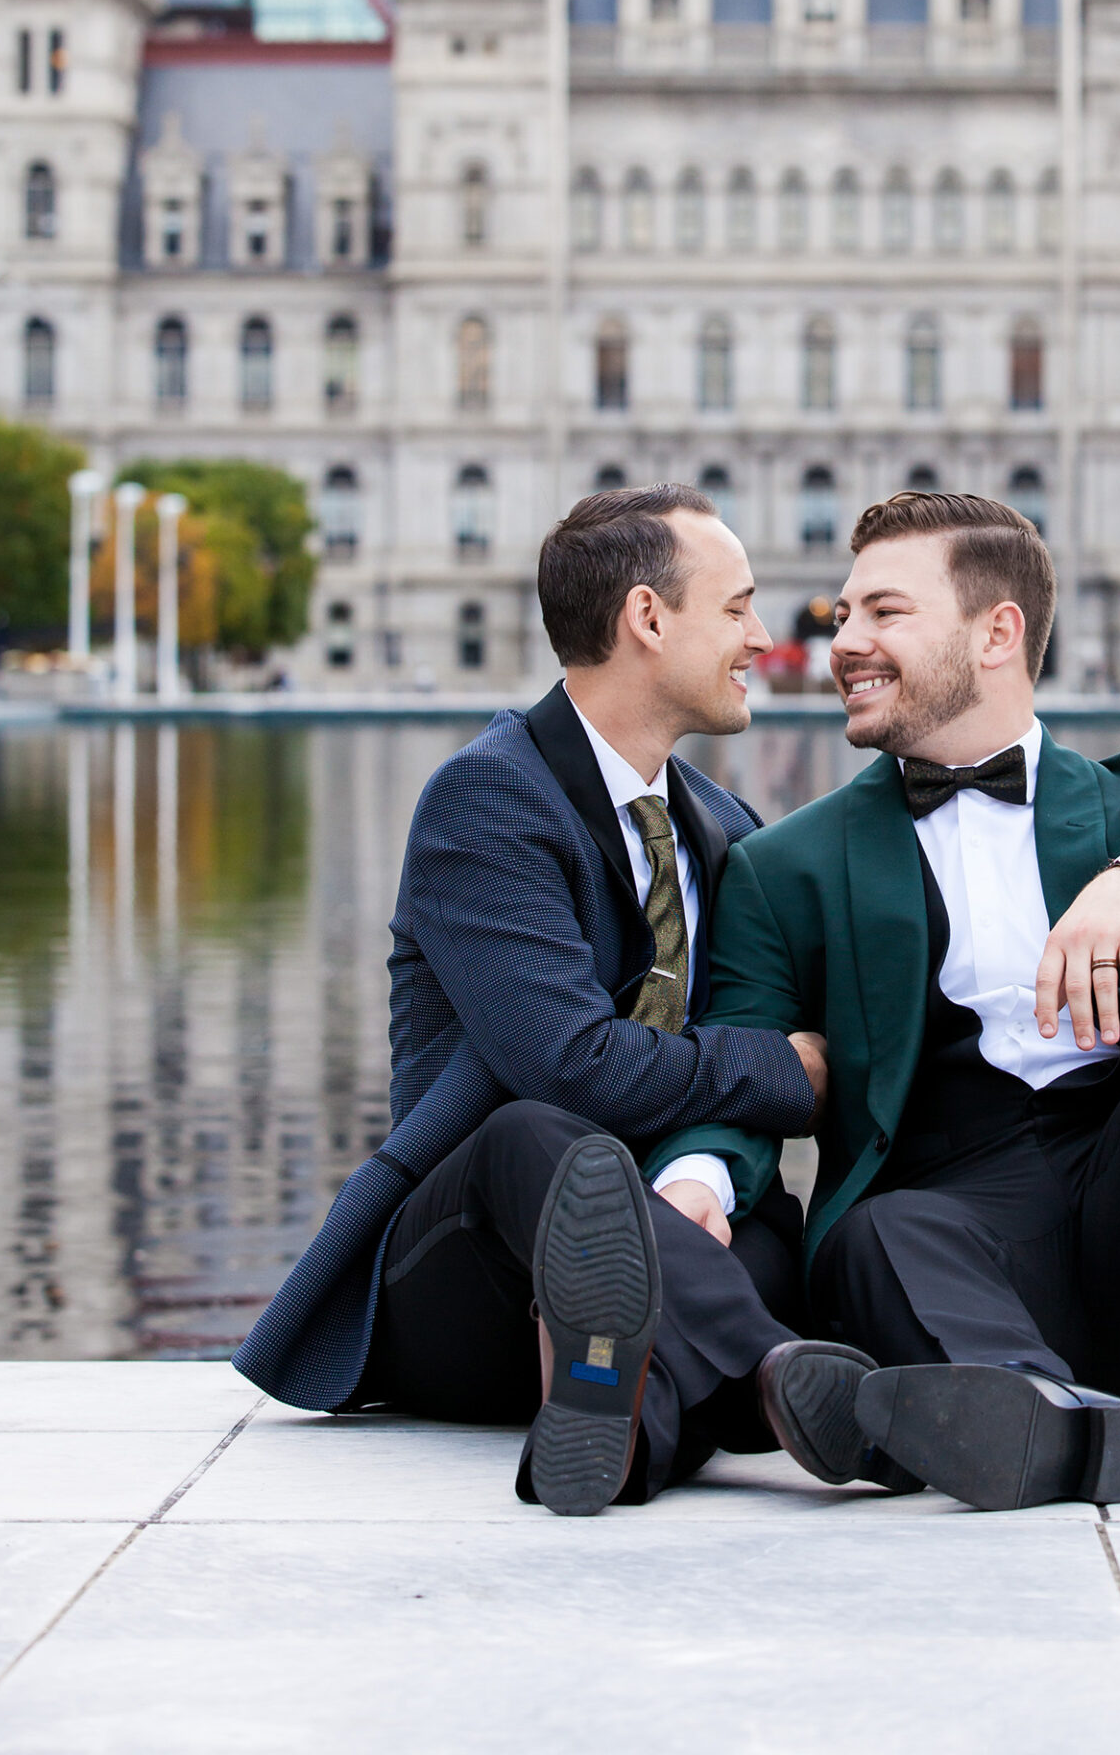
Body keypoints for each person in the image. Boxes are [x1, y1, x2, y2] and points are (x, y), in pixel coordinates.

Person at [651, 490, 1120, 1510]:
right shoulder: (783, 866)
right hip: (954, 1221)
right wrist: (699, 1188)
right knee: (865, 1236)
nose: (843, 640)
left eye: (883, 612)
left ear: (997, 632)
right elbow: (745, 1063)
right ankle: (1037, 1412)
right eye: (843, 615)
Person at [236, 484, 884, 1515]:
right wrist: (784, 1072)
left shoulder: (724, 826)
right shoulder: (488, 799)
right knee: (543, 1135)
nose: (763, 637)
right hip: (473, 1266)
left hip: (646, 1263)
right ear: (646, 617)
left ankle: (623, 1425)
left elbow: (740, 1021)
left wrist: (704, 1179)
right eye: (736, 608)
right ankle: (780, 1383)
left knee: (770, 1234)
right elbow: (570, 1061)